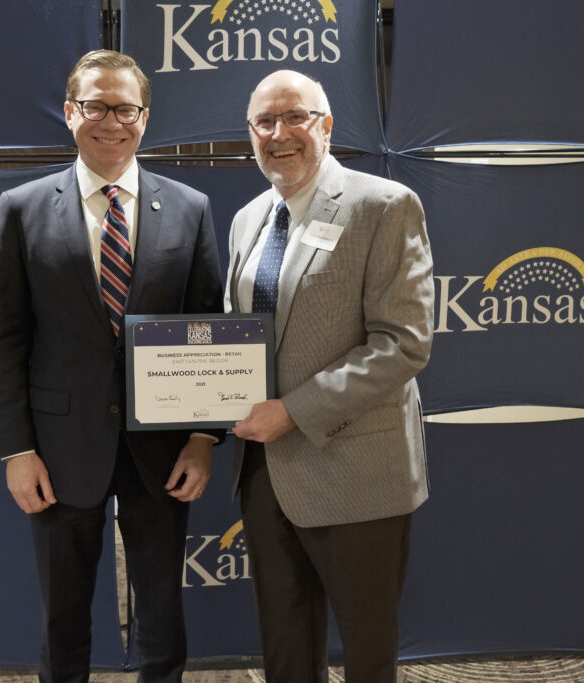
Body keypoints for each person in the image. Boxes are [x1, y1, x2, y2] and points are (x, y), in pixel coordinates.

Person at [0, 50, 222, 683]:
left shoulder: (191, 208)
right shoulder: (21, 208)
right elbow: (7, 339)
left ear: (145, 117)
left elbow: (207, 331)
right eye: (96, 106)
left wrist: (203, 439)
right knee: (63, 619)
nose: (111, 122)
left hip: (163, 449)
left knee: (163, 615)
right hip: (57, 450)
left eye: (126, 109)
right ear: (70, 112)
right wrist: (17, 451)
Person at [225, 70, 435, 682]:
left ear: (327, 126)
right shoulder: (247, 219)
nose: (280, 134)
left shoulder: (383, 205)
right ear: (251, 133)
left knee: (368, 653)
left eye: (296, 117)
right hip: (265, 474)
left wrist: (292, 412)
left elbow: (403, 344)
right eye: (265, 122)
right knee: (285, 649)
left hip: (356, 471)